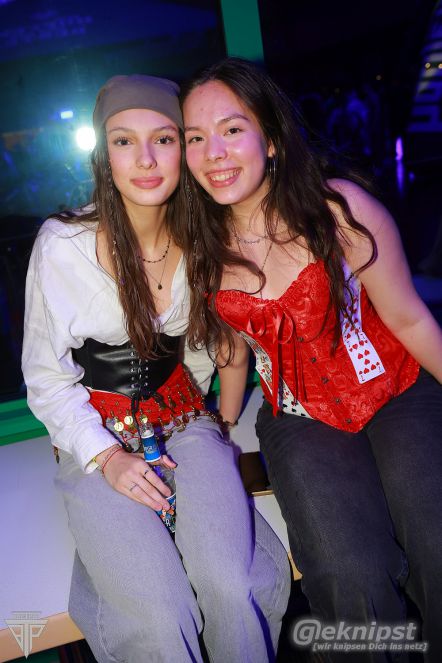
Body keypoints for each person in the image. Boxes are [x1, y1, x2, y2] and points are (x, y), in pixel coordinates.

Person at [22, 74, 291, 663]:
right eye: (124, 141)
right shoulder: (63, 245)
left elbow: (207, 349)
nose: (145, 159)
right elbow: (45, 377)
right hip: (95, 434)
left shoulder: (203, 237)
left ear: (183, 150)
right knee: (160, 614)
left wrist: (214, 428)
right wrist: (105, 456)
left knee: (233, 585)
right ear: (104, 154)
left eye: (164, 139)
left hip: (183, 417)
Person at [181, 57, 442, 661]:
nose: (213, 153)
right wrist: (222, 430)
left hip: (397, 388)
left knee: (436, 536)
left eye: (232, 129)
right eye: (195, 137)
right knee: (349, 573)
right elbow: (234, 355)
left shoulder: (338, 209)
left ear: (271, 139)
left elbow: (410, 319)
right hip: (299, 414)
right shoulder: (200, 248)